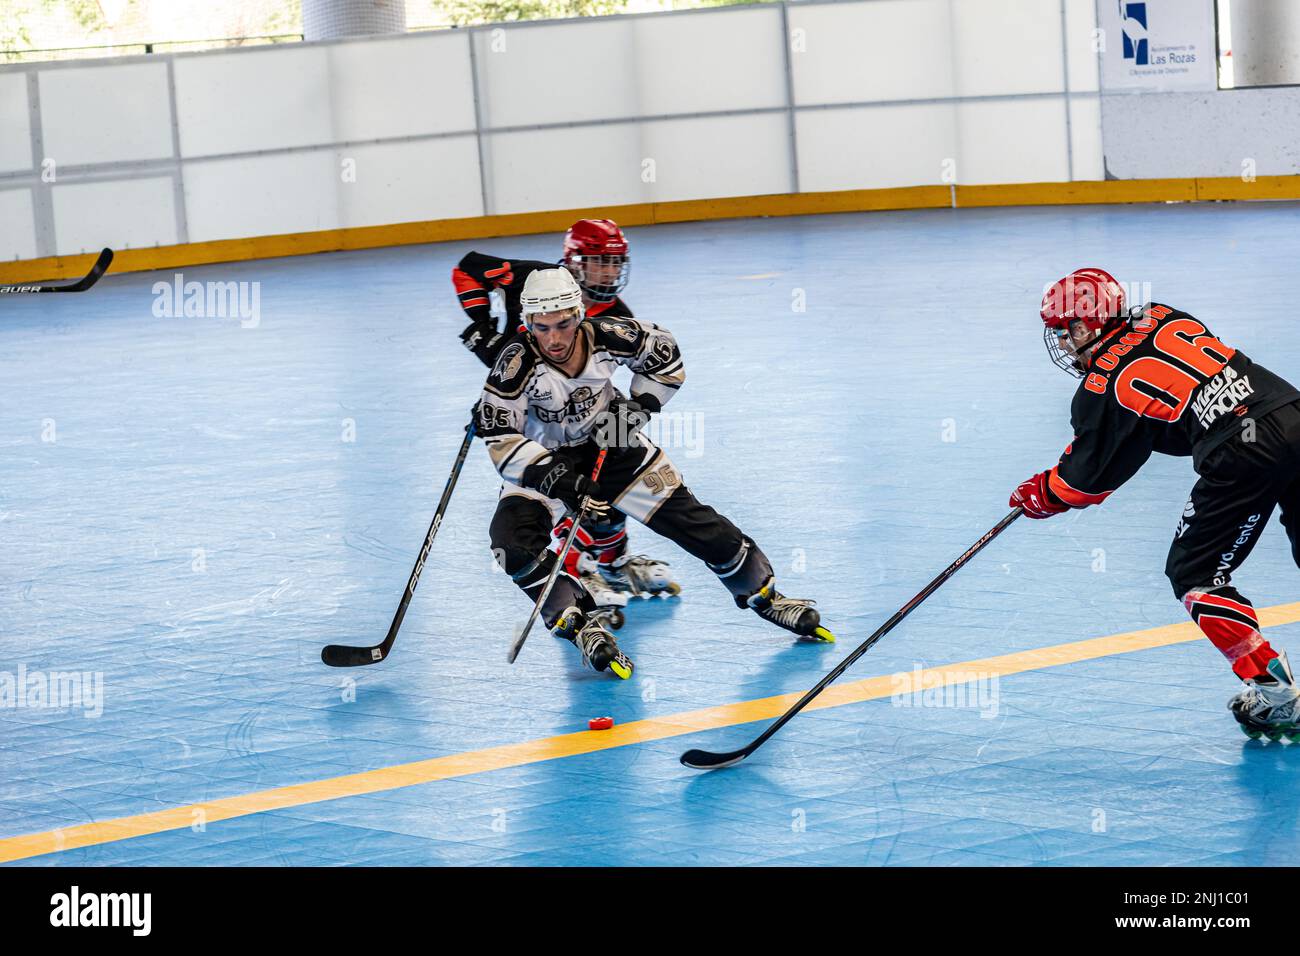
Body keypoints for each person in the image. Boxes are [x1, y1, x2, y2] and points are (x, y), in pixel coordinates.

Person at [478, 268, 835, 678]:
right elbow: (502, 441)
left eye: (564, 324)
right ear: (528, 325)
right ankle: (578, 621)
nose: (555, 339)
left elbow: (665, 355)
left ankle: (765, 595)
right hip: (547, 463)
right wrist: (554, 477)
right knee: (511, 542)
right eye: (542, 328)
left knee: (697, 524)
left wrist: (638, 406)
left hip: (612, 444)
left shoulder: (609, 334)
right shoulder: (514, 365)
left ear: (579, 314)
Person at [1011, 267, 1300, 739]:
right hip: (1292, 413)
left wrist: (1042, 491)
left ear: (1088, 326)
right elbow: (1160, 420)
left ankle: (1276, 694)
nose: (1064, 344)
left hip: (1242, 451)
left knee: (1195, 576)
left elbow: (1084, 482)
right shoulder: (1163, 315)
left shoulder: (1100, 388)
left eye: (1066, 331)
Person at [451, 219, 677, 622]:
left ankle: (611, 560)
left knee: (609, 468)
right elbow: (467, 269)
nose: (608, 273)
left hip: (565, 412)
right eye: (597, 263)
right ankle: (574, 564)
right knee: (547, 486)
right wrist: (483, 328)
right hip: (517, 406)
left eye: (614, 263)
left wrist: (626, 415)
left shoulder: (615, 314)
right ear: (574, 262)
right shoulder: (533, 278)